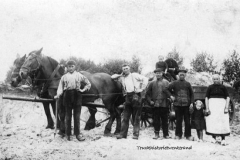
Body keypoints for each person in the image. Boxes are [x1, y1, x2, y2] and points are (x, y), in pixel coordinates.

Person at [54, 60, 91, 141]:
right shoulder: (64, 77)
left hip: (77, 95)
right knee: (68, 116)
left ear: (75, 67)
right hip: (67, 95)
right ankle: (68, 134)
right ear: (66, 67)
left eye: (72, 66)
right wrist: (58, 95)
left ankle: (77, 134)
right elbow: (60, 87)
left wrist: (83, 90)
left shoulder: (79, 75)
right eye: (69, 67)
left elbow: (88, 83)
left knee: (77, 116)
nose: (70, 68)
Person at [111, 64, 148, 140]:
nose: (125, 70)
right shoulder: (122, 77)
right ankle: (123, 134)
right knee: (125, 117)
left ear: (129, 69)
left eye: (127, 68)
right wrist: (120, 75)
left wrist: (141, 88)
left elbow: (145, 79)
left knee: (136, 117)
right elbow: (112, 77)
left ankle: (135, 134)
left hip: (136, 96)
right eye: (124, 69)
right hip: (128, 96)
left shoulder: (134, 75)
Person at [168, 66, 194, 140]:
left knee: (187, 120)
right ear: (178, 75)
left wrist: (192, 103)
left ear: (185, 75)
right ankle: (178, 135)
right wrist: (171, 96)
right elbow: (167, 89)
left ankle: (188, 135)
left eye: (183, 75)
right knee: (178, 120)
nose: (181, 76)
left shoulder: (188, 84)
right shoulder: (174, 83)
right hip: (177, 105)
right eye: (180, 75)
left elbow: (192, 94)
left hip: (186, 105)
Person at [205, 74, 230, 146]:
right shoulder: (210, 87)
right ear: (212, 80)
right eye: (214, 79)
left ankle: (223, 139)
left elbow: (227, 97)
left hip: (221, 106)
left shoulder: (223, 87)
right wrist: (207, 108)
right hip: (212, 106)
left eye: (217, 79)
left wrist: (226, 107)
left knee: (222, 120)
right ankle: (213, 137)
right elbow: (206, 97)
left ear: (220, 79)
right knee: (213, 120)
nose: (216, 80)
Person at [146, 68, 171, 139]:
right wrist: (150, 101)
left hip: (164, 104)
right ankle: (156, 134)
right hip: (155, 105)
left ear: (162, 73)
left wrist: (170, 98)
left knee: (165, 120)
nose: (158, 74)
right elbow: (147, 94)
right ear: (155, 74)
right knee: (156, 120)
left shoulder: (166, 82)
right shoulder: (152, 83)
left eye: (159, 73)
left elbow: (170, 92)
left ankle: (166, 134)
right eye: (157, 73)